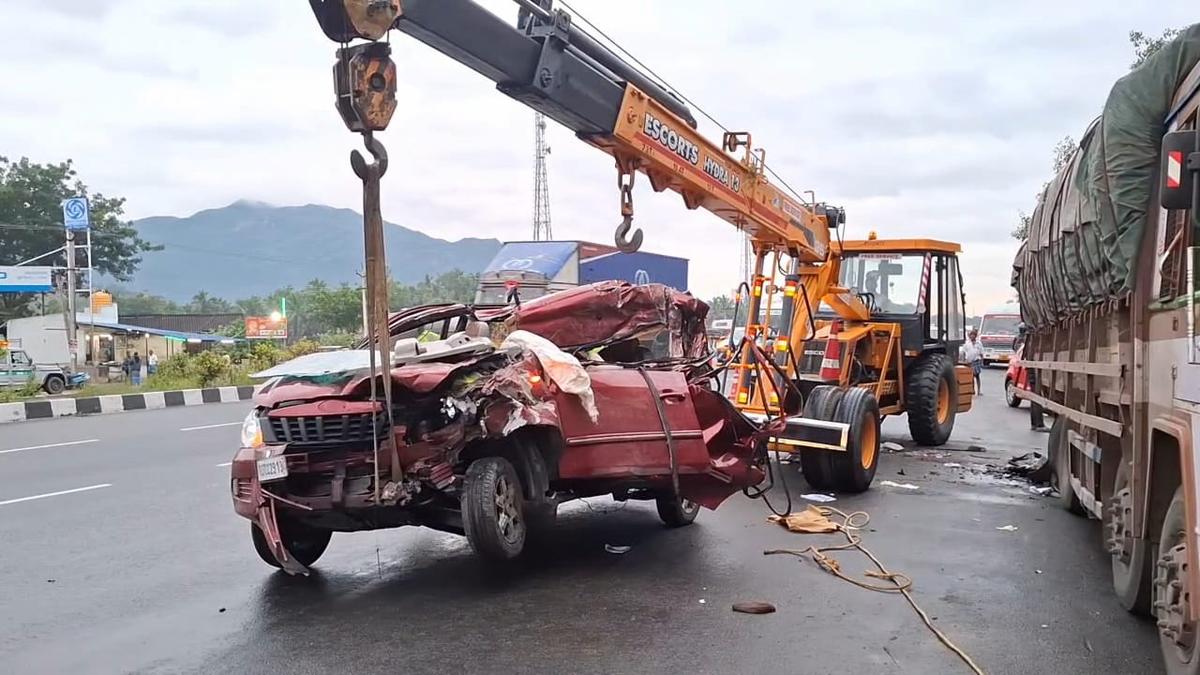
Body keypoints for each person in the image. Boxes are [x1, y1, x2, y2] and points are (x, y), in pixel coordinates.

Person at [1013, 323, 1047, 432]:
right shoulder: (1027, 340)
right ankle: (1038, 424)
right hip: (1032, 367)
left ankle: (1036, 423)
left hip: (1030, 366)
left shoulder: (1024, 340)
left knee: (1035, 396)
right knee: (1036, 395)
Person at [961, 329, 984, 395]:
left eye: (973, 335)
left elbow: (981, 352)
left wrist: (982, 360)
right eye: (971, 335)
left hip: (977, 361)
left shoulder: (979, 343)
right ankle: (972, 390)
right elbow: (963, 352)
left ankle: (979, 391)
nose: (972, 336)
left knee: (977, 376)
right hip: (969, 362)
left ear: (975, 336)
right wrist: (964, 360)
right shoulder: (967, 343)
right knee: (971, 376)